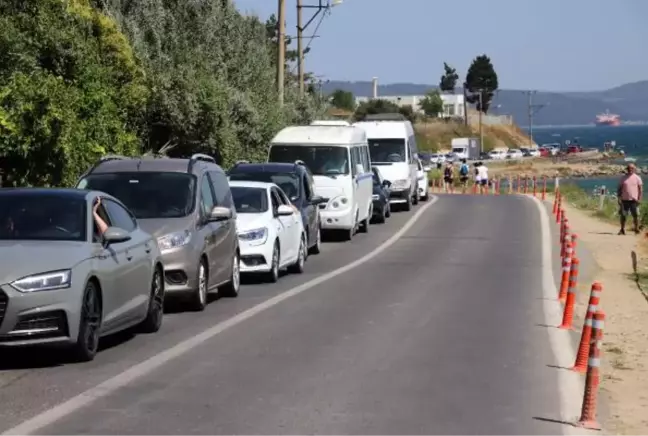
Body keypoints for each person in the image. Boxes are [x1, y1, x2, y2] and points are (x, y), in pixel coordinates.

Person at [616, 163, 642, 235]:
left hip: (634, 200)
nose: (630, 169)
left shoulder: (637, 178)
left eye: (632, 168)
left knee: (635, 215)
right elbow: (619, 189)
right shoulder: (623, 178)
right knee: (623, 215)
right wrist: (619, 198)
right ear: (627, 169)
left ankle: (636, 229)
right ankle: (622, 229)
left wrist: (639, 199)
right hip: (624, 200)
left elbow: (640, 190)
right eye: (629, 168)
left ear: (634, 169)